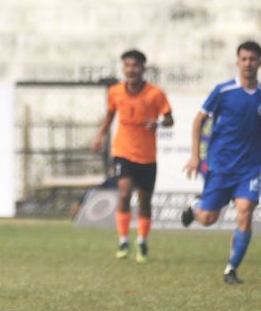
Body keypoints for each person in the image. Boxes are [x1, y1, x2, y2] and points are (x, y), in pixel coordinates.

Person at [180, 41, 261, 285]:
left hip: (250, 168)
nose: (248, 63)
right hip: (221, 166)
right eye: (244, 59)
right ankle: (195, 206)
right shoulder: (223, 91)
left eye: (252, 59)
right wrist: (195, 155)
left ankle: (231, 269)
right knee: (208, 219)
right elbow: (199, 121)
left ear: (259, 62)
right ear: (237, 62)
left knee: (245, 211)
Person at [91, 50, 173, 262]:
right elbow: (110, 115)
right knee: (125, 193)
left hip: (147, 156)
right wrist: (99, 136)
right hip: (123, 151)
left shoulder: (155, 93)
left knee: (144, 200)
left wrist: (158, 123)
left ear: (143, 68)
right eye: (127, 65)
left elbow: (169, 119)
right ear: (123, 68)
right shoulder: (115, 91)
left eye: (135, 65)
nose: (131, 69)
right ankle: (124, 240)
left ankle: (142, 241)